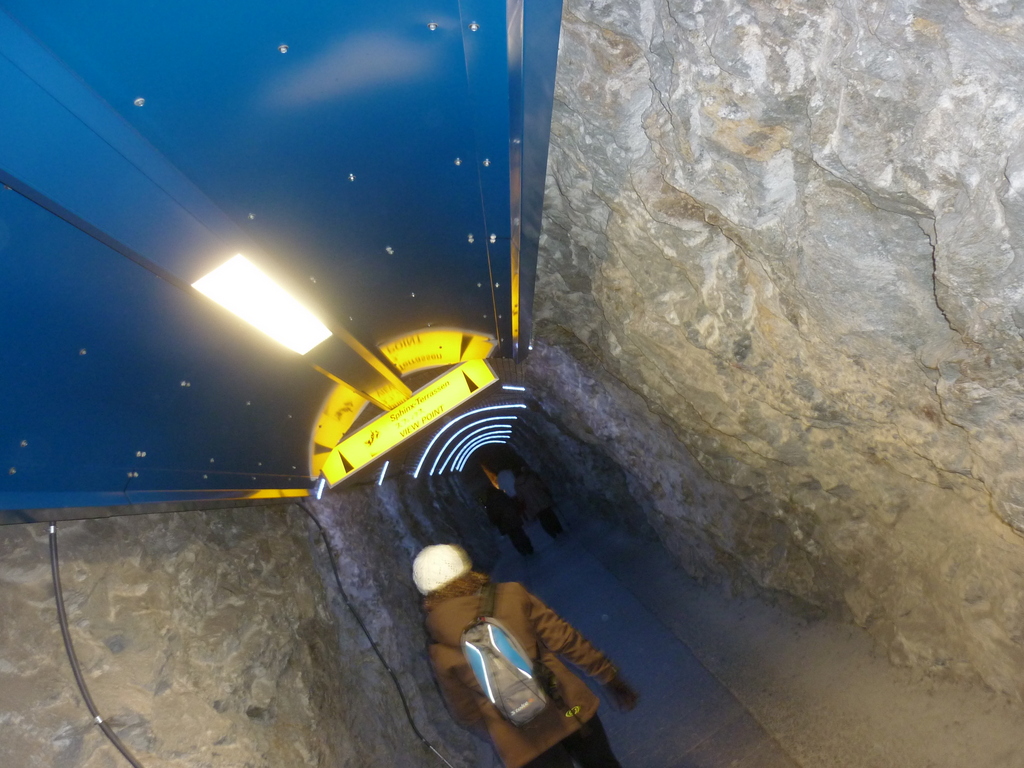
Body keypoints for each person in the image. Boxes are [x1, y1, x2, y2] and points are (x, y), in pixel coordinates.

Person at [413, 544, 638, 768]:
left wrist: (503, 726)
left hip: (521, 744)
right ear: (466, 569)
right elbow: (564, 639)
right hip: (567, 707)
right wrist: (608, 676)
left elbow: (466, 712)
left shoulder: (439, 650)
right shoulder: (511, 595)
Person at [481, 465, 533, 555]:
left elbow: (492, 516)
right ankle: (529, 547)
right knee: (520, 532)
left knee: (513, 537)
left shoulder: (489, 503)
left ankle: (521, 550)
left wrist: (496, 522)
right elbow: (510, 502)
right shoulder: (501, 494)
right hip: (512, 517)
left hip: (504, 523)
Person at [515, 467, 564, 539]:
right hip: (541, 498)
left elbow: (520, 497)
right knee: (550, 514)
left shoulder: (517, 485)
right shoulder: (530, 478)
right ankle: (559, 530)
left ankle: (552, 533)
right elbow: (541, 485)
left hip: (532, 504)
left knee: (542, 519)